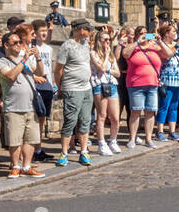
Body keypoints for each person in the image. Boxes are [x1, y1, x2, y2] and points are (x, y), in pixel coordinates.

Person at [0, 30, 45, 177]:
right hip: (13, 107)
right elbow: (11, 75)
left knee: (31, 139)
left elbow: (40, 71)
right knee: (14, 140)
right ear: (6, 45)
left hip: (31, 106)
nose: (19, 45)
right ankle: (16, 166)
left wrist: (37, 58)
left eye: (20, 42)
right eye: (15, 43)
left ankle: (26, 166)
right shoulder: (2, 61)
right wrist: (24, 59)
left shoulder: (24, 60)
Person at [54, 19, 95, 166]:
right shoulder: (67, 46)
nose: (90, 32)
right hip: (72, 89)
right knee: (70, 121)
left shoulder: (85, 44)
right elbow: (58, 70)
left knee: (85, 121)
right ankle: (64, 152)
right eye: (88, 29)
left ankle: (83, 151)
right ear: (80, 30)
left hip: (86, 88)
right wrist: (61, 87)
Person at [121, 25, 162, 148]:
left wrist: (159, 40)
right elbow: (125, 54)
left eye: (146, 33)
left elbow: (168, 53)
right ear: (136, 35)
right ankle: (132, 138)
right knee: (136, 111)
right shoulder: (133, 47)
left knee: (150, 112)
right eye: (141, 33)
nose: (144, 35)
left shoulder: (153, 47)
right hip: (136, 84)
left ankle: (148, 139)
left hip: (153, 83)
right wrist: (138, 42)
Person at [90, 28, 122, 154]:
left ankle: (113, 140)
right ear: (99, 41)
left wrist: (109, 69)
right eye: (105, 40)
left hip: (111, 84)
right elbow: (101, 68)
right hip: (99, 85)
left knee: (115, 117)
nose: (108, 42)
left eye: (109, 39)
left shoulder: (111, 55)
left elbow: (117, 73)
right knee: (102, 115)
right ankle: (101, 143)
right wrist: (107, 55)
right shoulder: (93, 53)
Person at [155, 21, 179, 141]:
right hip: (166, 80)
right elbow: (167, 55)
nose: (175, 33)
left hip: (177, 80)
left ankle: (172, 131)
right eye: (173, 31)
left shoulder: (176, 44)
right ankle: (160, 131)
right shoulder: (161, 45)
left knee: (174, 106)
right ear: (167, 33)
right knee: (164, 106)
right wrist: (172, 45)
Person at [30, 19, 56, 158]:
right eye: (42, 31)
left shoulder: (49, 49)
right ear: (35, 33)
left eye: (46, 31)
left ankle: (38, 149)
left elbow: (50, 68)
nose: (44, 33)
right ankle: (33, 149)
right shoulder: (31, 47)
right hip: (36, 87)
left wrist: (53, 85)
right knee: (34, 119)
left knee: (42, 120)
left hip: (47, 87)